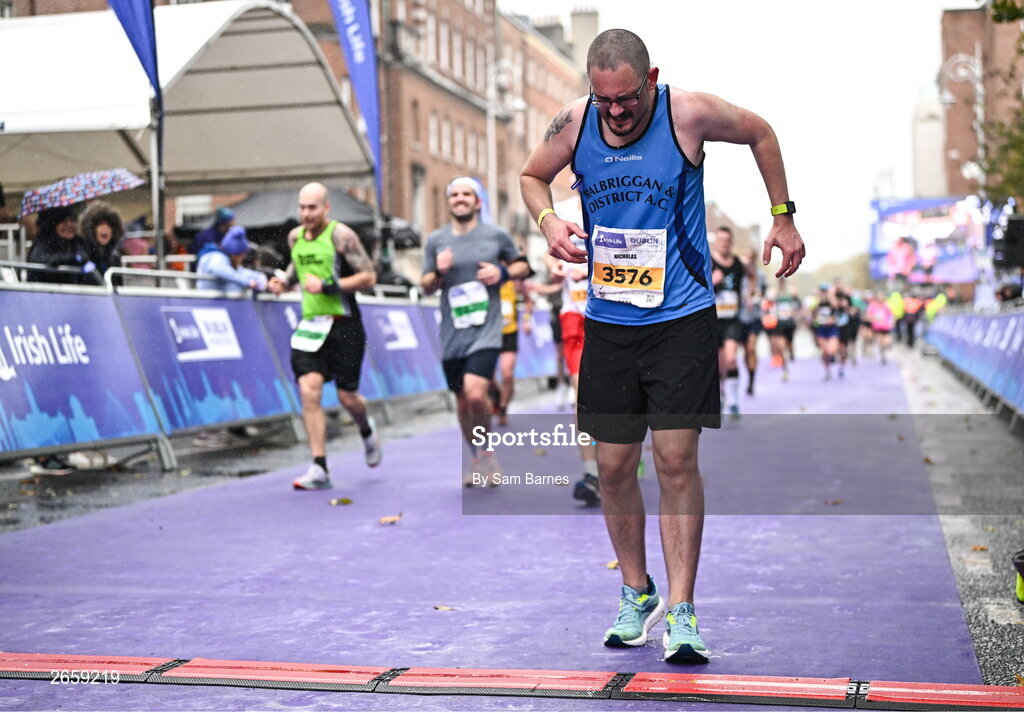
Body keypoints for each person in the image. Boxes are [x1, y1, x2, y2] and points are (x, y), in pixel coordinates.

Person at [520, 29, 804, 664]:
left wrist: (783, 215)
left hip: (681, 318)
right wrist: (549, 221)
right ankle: (635, 591)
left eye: (625, 98)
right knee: (614, 468)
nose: (615, 113)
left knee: (675, 464)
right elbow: (532, 176)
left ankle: (681, 609)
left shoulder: (688, 113)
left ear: (650, 77)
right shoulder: (573, 122)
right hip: (610, 322)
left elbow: (762, 132)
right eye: (603, 100)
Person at [268, 183, 382, 490]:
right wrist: (284, 282)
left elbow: (369, 277)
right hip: (310, 325)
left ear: (326, 208)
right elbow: (298, 268)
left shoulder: (341, 235)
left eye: (312, 208)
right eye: (302, 207)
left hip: (344, 323)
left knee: (347, 397)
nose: (306, 214)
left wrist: (331, 286)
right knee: (310, 391)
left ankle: (366, 428)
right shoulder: (295, 237)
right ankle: (319, 466)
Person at [420, 176, 531, 486]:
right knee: (461, 403)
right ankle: (476, 454)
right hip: (453, 333)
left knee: (475, 393)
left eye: (466, 194)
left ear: (478, 201)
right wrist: (438, 273)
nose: (459, 199)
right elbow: (425, 286)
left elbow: (523, 266)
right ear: (448, 202)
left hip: (487, 329)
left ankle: (488, 453)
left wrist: (503, 271)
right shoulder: (436, 240)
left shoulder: (494, 236)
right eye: (454, 194)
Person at [710, 227, 747, 417]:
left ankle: (733, 402)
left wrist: (750, 294)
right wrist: (712, 282)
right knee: (719, 364)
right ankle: (723, 394)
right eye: (721, 239)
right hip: (713, 321)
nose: (724, 243)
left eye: (727, 240)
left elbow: (751, 278)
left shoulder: (738, 264)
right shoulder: (708, 261)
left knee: (731, 359)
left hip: (732, 319)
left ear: (731, 242)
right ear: (716, 241)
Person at [492, 275, 534, 427]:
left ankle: (502, 408)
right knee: (486, 377)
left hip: (509, 333)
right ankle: (498, 395)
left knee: (507, 374)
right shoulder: (486, 279)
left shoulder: (514, 282)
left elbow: (528, 300)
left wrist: (526, 319)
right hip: (489, 334)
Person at [25, 206, 96, 285]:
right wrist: (72, 258)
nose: (69, 225)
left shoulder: (79, 242)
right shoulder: (44, 242)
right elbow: (39, 260)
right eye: (63, 221)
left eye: (72, 220)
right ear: (53, 223)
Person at [196, 226, 268, 294]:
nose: (243, 258)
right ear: (234, 255)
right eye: (241, 255)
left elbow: (241, 272)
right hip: (209, 304)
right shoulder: (216, 257)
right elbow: (221, 270)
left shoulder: (228, 262)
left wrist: (259, 277)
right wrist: (246, 282)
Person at [739, 247, 766, 396]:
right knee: (745, 353)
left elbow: (764, 292)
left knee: (751, 348)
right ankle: (749, 375)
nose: (748, 260)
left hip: (755, 316)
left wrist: (755, 297)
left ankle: (751, 382)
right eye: (746, 257)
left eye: (751, 257)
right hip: (740, 316)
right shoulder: (739, 272)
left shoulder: (759, 274)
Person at [80, 201, 125, 287]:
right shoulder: (83, 254)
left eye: (109, 225)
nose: (105, 228)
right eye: (100, 224)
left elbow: (119, 288)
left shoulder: (115, 257)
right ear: (91, 229)